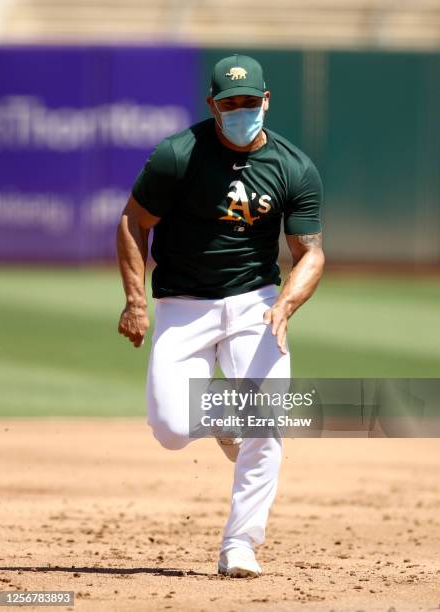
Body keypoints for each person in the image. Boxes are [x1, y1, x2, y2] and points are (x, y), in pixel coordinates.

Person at [116, 54, 325, 578]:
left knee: (268, 425)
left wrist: (285, 305)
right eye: (230, 103)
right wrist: (136, 301)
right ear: (212, 105)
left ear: (266, 101)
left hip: (255, 301)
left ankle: (241, 546)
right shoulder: (178, 155)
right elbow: (133, 221)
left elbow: (311, 253)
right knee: (168, 426)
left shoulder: (293, 166)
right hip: (183, 303)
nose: (241, 110)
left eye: (250, 101)